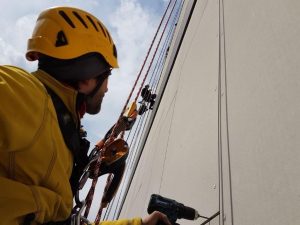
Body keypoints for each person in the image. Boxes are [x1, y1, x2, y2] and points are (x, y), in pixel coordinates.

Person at [0, 6, 171, 225]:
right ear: (87, 75)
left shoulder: (60, 129)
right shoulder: (25, 93)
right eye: (107, 75)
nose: (107, 88)